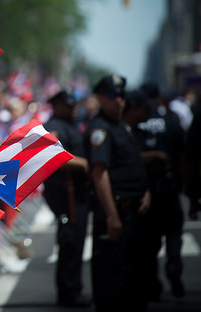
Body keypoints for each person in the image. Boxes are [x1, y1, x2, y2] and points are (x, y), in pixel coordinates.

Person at [85, 75, 151, 311]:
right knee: (113, 279)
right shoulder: (100, 129)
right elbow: (99, 173)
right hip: (116, 211)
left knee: (135, 277)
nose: (119, 101)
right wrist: (112, 215)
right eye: (113, 96)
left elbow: (132, 164)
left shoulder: (121, 126)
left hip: (135, 210)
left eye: (122, 96)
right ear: (100, 97)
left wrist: (145, 191)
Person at [137, 82, 186, 298]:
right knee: (174, 232)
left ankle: (153, 283)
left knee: (149, 239)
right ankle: (174, 266)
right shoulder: (171, 121)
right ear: (159, 99)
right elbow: (184, 154)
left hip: (146, 189)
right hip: (169, 187)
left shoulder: (136, 123)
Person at [42, 89, 90, 307]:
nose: (74, 109)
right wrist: (82, 163)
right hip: (64, 193)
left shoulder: (71, 124)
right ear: (58, 105)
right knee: (70, 240)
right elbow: (52, 155)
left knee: (76, 241)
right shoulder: (54, 126)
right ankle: (69, 292)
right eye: (69, 106)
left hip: (78, 193)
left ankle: (73, 289)